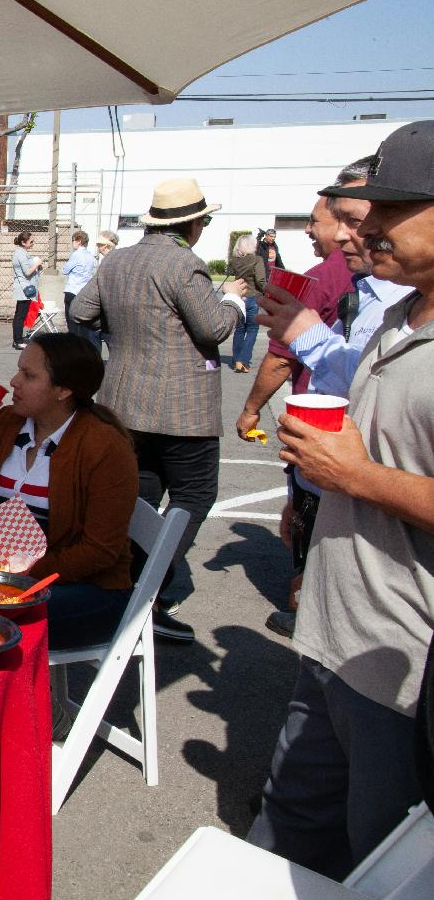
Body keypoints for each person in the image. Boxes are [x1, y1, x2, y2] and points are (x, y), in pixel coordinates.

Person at [246, 120, 434, 879]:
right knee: (287, 835)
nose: (371, 227)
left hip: (405, 663)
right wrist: (321, 508)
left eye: (393, 208)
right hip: (333, 633)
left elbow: (368, 466)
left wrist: (357, 479)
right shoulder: (394, 317)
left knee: (381, 862)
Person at [70, 177, 247, 644]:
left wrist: (121, 334)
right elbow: (212, 331)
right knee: (193, 496)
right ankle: (146, 591)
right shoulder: (185, 265)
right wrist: (234, 303)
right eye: (204, 221)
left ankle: (126, 586)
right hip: (181, 407)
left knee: (140, 499)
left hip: (124, 400)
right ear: (192, 223)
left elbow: (81, 313)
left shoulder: (118, 259)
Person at [255, 156, 403, 637]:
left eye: (354, 221)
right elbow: (356, 378)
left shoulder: (378, 296)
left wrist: (306, 339)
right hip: (333, 490)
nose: (340, 237)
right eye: (334, 221)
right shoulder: (372, 297)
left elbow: (366, 391)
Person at [0, 333, 138, 652]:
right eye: (19, 370)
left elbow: (100, 551)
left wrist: (18, 576)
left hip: (87, 589)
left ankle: (4, 700)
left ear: (63, 390)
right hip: (10, 577)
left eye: (29, 375)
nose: (14, 381)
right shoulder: (9, 422)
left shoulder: (104, 447)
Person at [229, 231, 267, 373]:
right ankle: (243, 360)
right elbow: (260, 280)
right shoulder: (257, 260)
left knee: (239, 329)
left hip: (240, 297)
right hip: (253, 297)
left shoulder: (236, 261)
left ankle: (236, 360)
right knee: (252, 329)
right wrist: (268, 291)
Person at [61, 230, 97, 344]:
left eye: (73, 241)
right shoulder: (91, 256)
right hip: (84, 291)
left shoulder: (76, 255)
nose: (72, 243)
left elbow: (65, 270)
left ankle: (74, 345)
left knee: (71, 320)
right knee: (82, 320)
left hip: (72, 290)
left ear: (79, 241)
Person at [11, 231, 43, 350]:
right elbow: (27, 272)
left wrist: (37, 265)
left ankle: (18, 339)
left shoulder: (22, 252)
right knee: (20, 315)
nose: (33, 243)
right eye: (31, 241)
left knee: (20, 314)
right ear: (23, 243)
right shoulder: (21, 254)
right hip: (24, 289)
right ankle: (18, 341)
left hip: (24, 288)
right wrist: (37, 263)